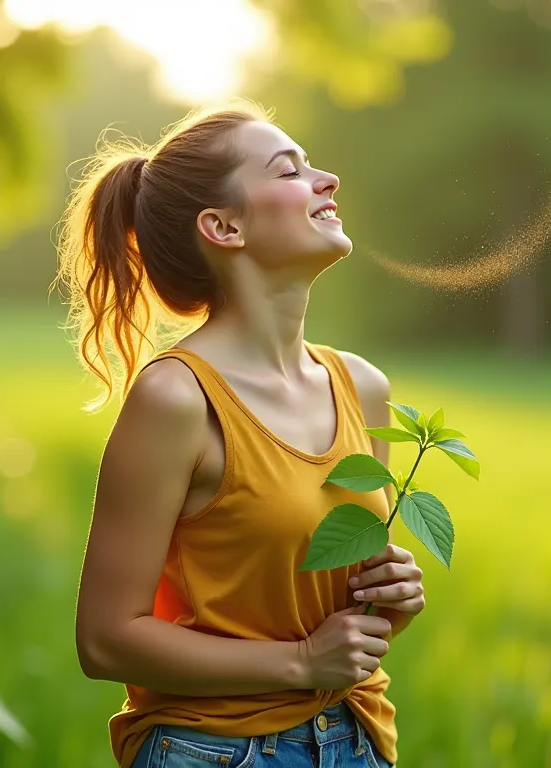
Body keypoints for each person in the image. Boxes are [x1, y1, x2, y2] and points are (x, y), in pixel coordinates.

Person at [59, 100, 425, 768]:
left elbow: (322, 601)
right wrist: (302, 662)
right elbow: (105, 641)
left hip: (356, 739)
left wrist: (390, 599)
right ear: (223, 226)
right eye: (291, 170)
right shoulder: (177, 399)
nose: (327, 180)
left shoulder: (364, 388)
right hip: (214, 751)